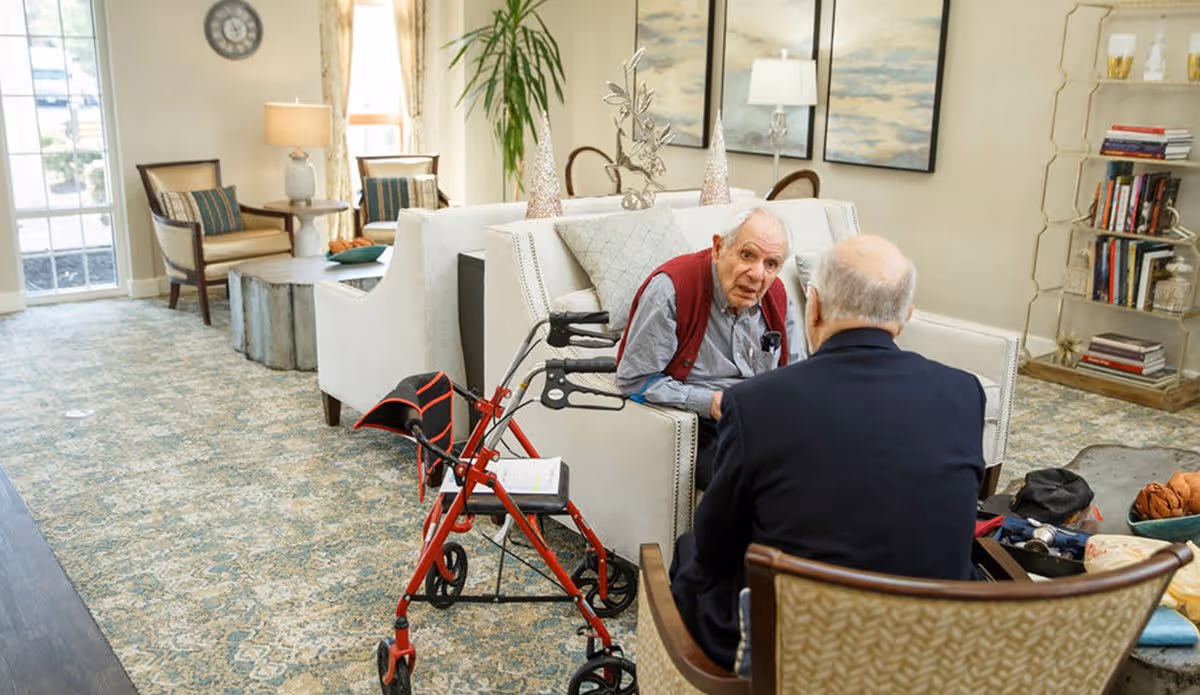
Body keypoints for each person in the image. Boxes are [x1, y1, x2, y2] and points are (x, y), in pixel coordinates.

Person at [669, 235, 986, 672]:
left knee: (688, 551)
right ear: (904, 317)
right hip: (930, 643)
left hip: (796, 649)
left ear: (812, 307)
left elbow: (715, 546)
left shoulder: (755, 402)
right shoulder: (964, 392)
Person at [616, 208, 805, 490]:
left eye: (771, 264)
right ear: (718, 248)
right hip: (704, 425)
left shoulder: (775, 295)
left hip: (763, 418)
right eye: (747, 255)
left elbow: (796, 373)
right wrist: (710, 402)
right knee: (755, 482)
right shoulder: (672, 290)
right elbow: (634, 380)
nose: (757, 274)